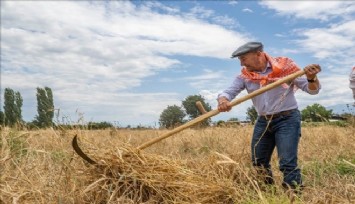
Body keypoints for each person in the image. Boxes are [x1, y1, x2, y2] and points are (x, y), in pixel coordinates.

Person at [217, 42, 321, 191]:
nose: (241, 63)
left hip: (287, 119)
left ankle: (294, 195)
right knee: (259, 161)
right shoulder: (245, 76)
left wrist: (311, 78)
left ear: (258, 54)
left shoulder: (285, 67)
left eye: (243, 58)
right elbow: (228, 92)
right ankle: (267, 193)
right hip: (263, 120)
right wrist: (223, 100)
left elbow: (312, 90)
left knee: (287, 162)